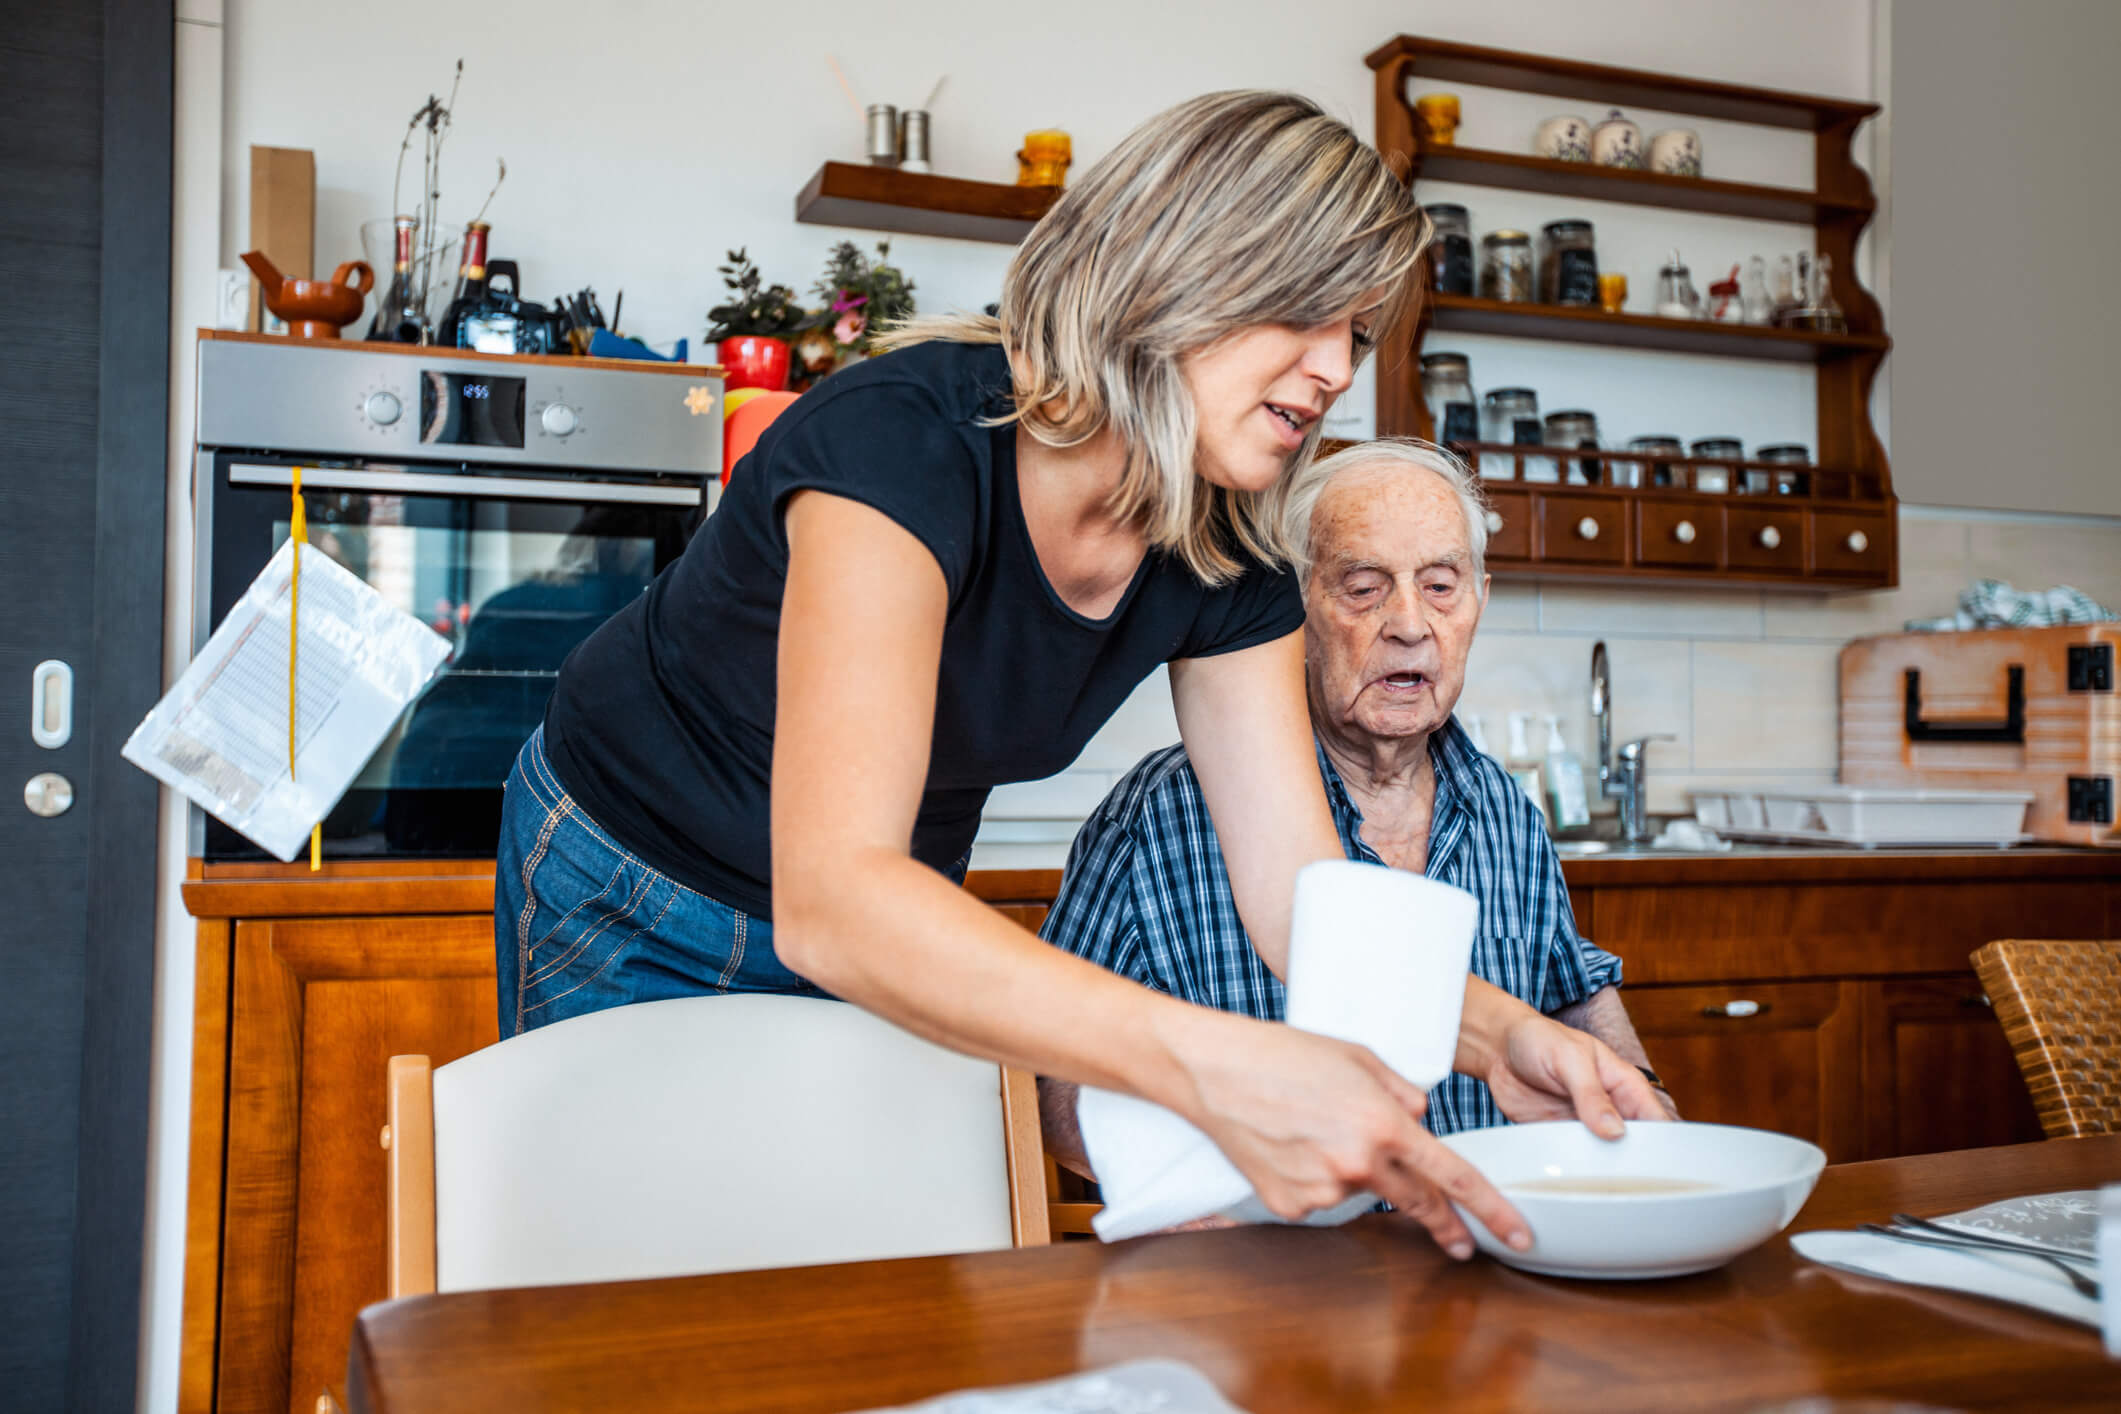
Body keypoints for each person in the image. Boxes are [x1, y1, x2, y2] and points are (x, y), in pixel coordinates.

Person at [494, 90, 1661, 1262]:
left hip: (900, 925)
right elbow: (835, 898)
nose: (1333, 371)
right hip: (631, 877)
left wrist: (1502, 1033)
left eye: (1356, 332)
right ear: (1182, 266)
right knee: (634, 1294)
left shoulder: (1227, 548)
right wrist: (1217, 1068)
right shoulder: (902, 441)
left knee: (846, 1295)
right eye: (1308, 312)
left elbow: (1303, 902)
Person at [1039, 439, 1675, 1181]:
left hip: (1487, 1246)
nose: (1409, 624)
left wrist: (1644, 1102)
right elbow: (1054, 1077)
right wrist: (1194, 1209)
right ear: (1291, 608)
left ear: (1479, 600)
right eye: (1363, 588)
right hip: (1270, 1265)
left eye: (1441, 586)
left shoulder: (1504, 808)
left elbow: (1567, 992)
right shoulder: (1157, 817)